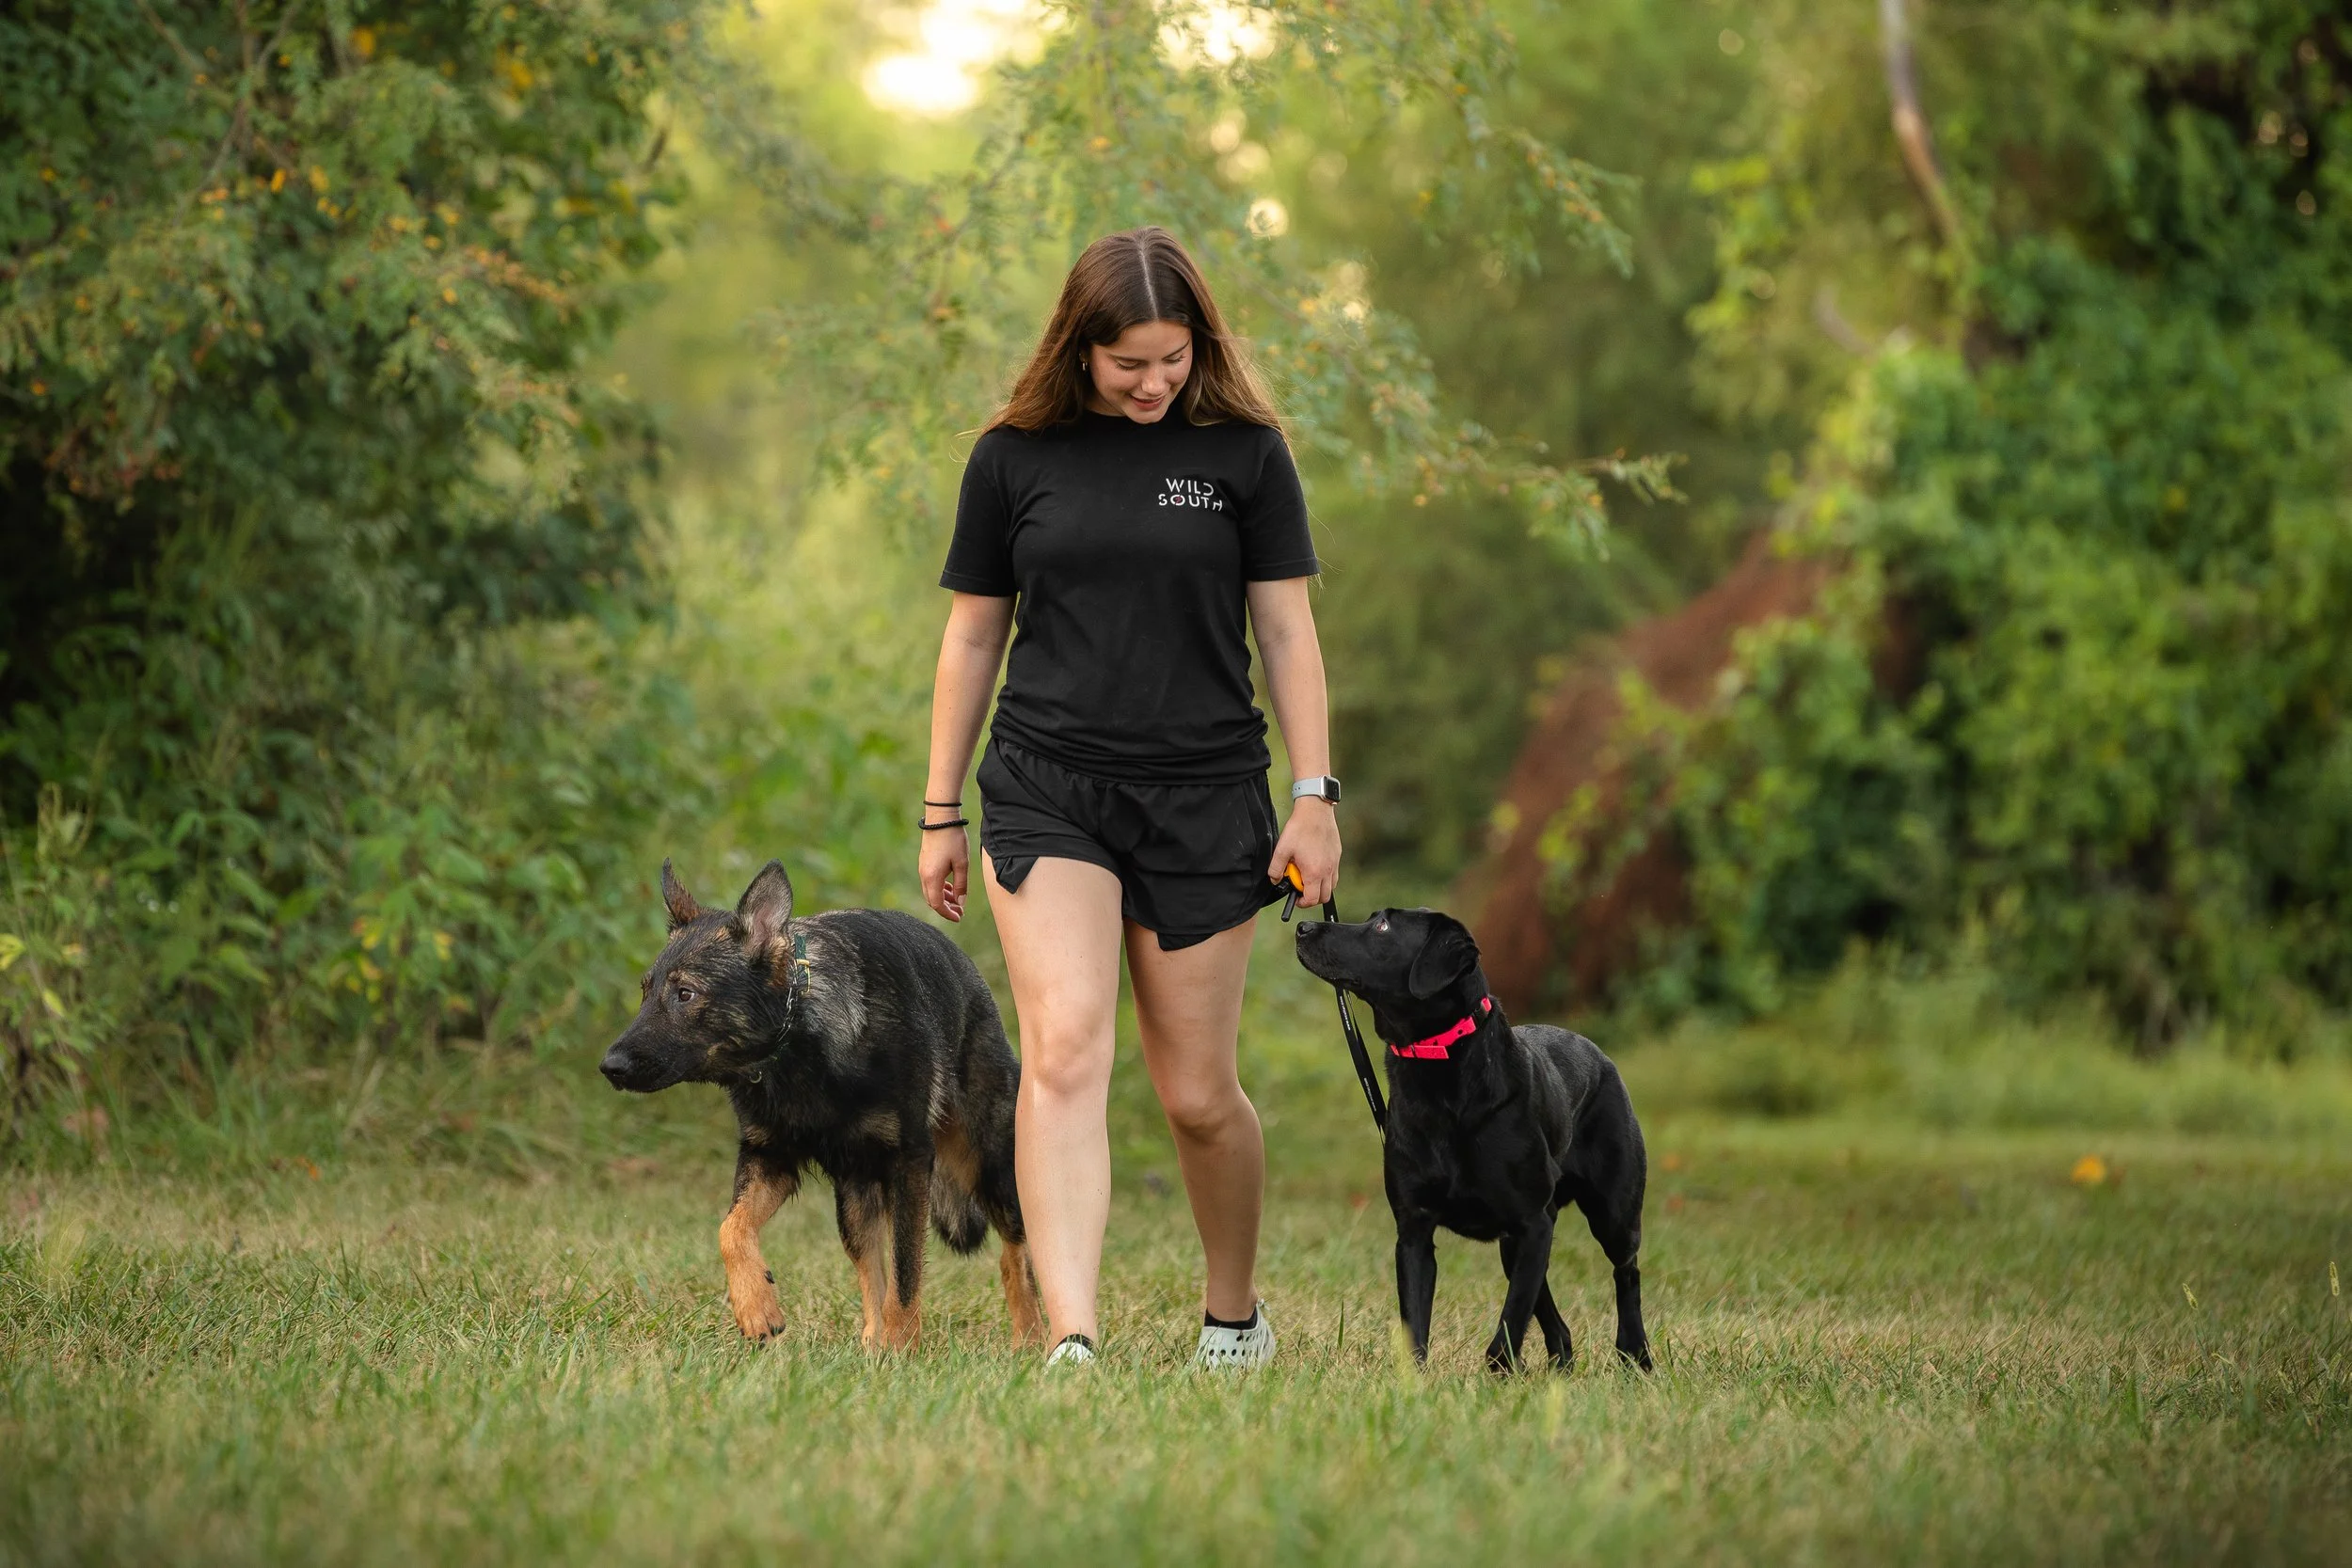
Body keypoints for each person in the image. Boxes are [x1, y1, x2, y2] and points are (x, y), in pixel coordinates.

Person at [918, 226, 1342, 1369]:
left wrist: (1315, 795)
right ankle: (1074, 1336)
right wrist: (939, 807)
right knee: (1062, 1054)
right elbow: (972, 635)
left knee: (1199, 1095)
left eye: (1174, 356)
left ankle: (1233, 1313)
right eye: (1130, 362)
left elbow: (1288, 628)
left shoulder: (1247, 454)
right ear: (1081, 348)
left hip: (1207, 798)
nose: (1155, 381)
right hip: (1049, 786)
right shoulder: (1013, 457)